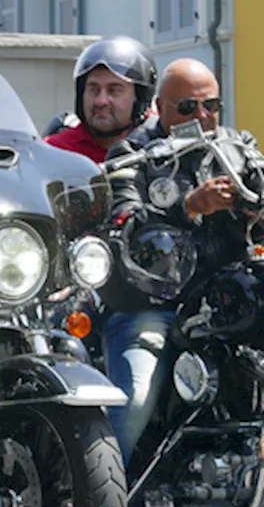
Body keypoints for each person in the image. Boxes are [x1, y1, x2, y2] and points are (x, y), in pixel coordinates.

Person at [99, 57, 254, 466]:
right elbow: (125, 225)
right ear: (160, 109)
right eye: (188, 108)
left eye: (211, 105)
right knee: (134, 397)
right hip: (153, 304)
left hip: (224, 302)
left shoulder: (240, 151)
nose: (202, 116)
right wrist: (187, 207)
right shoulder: (133, 155)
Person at [45, 36, 157, 164]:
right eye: (93, 89)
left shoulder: (163, 146)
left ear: (140, 97)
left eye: (114, 90)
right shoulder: (54, 151)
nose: (101, 101)